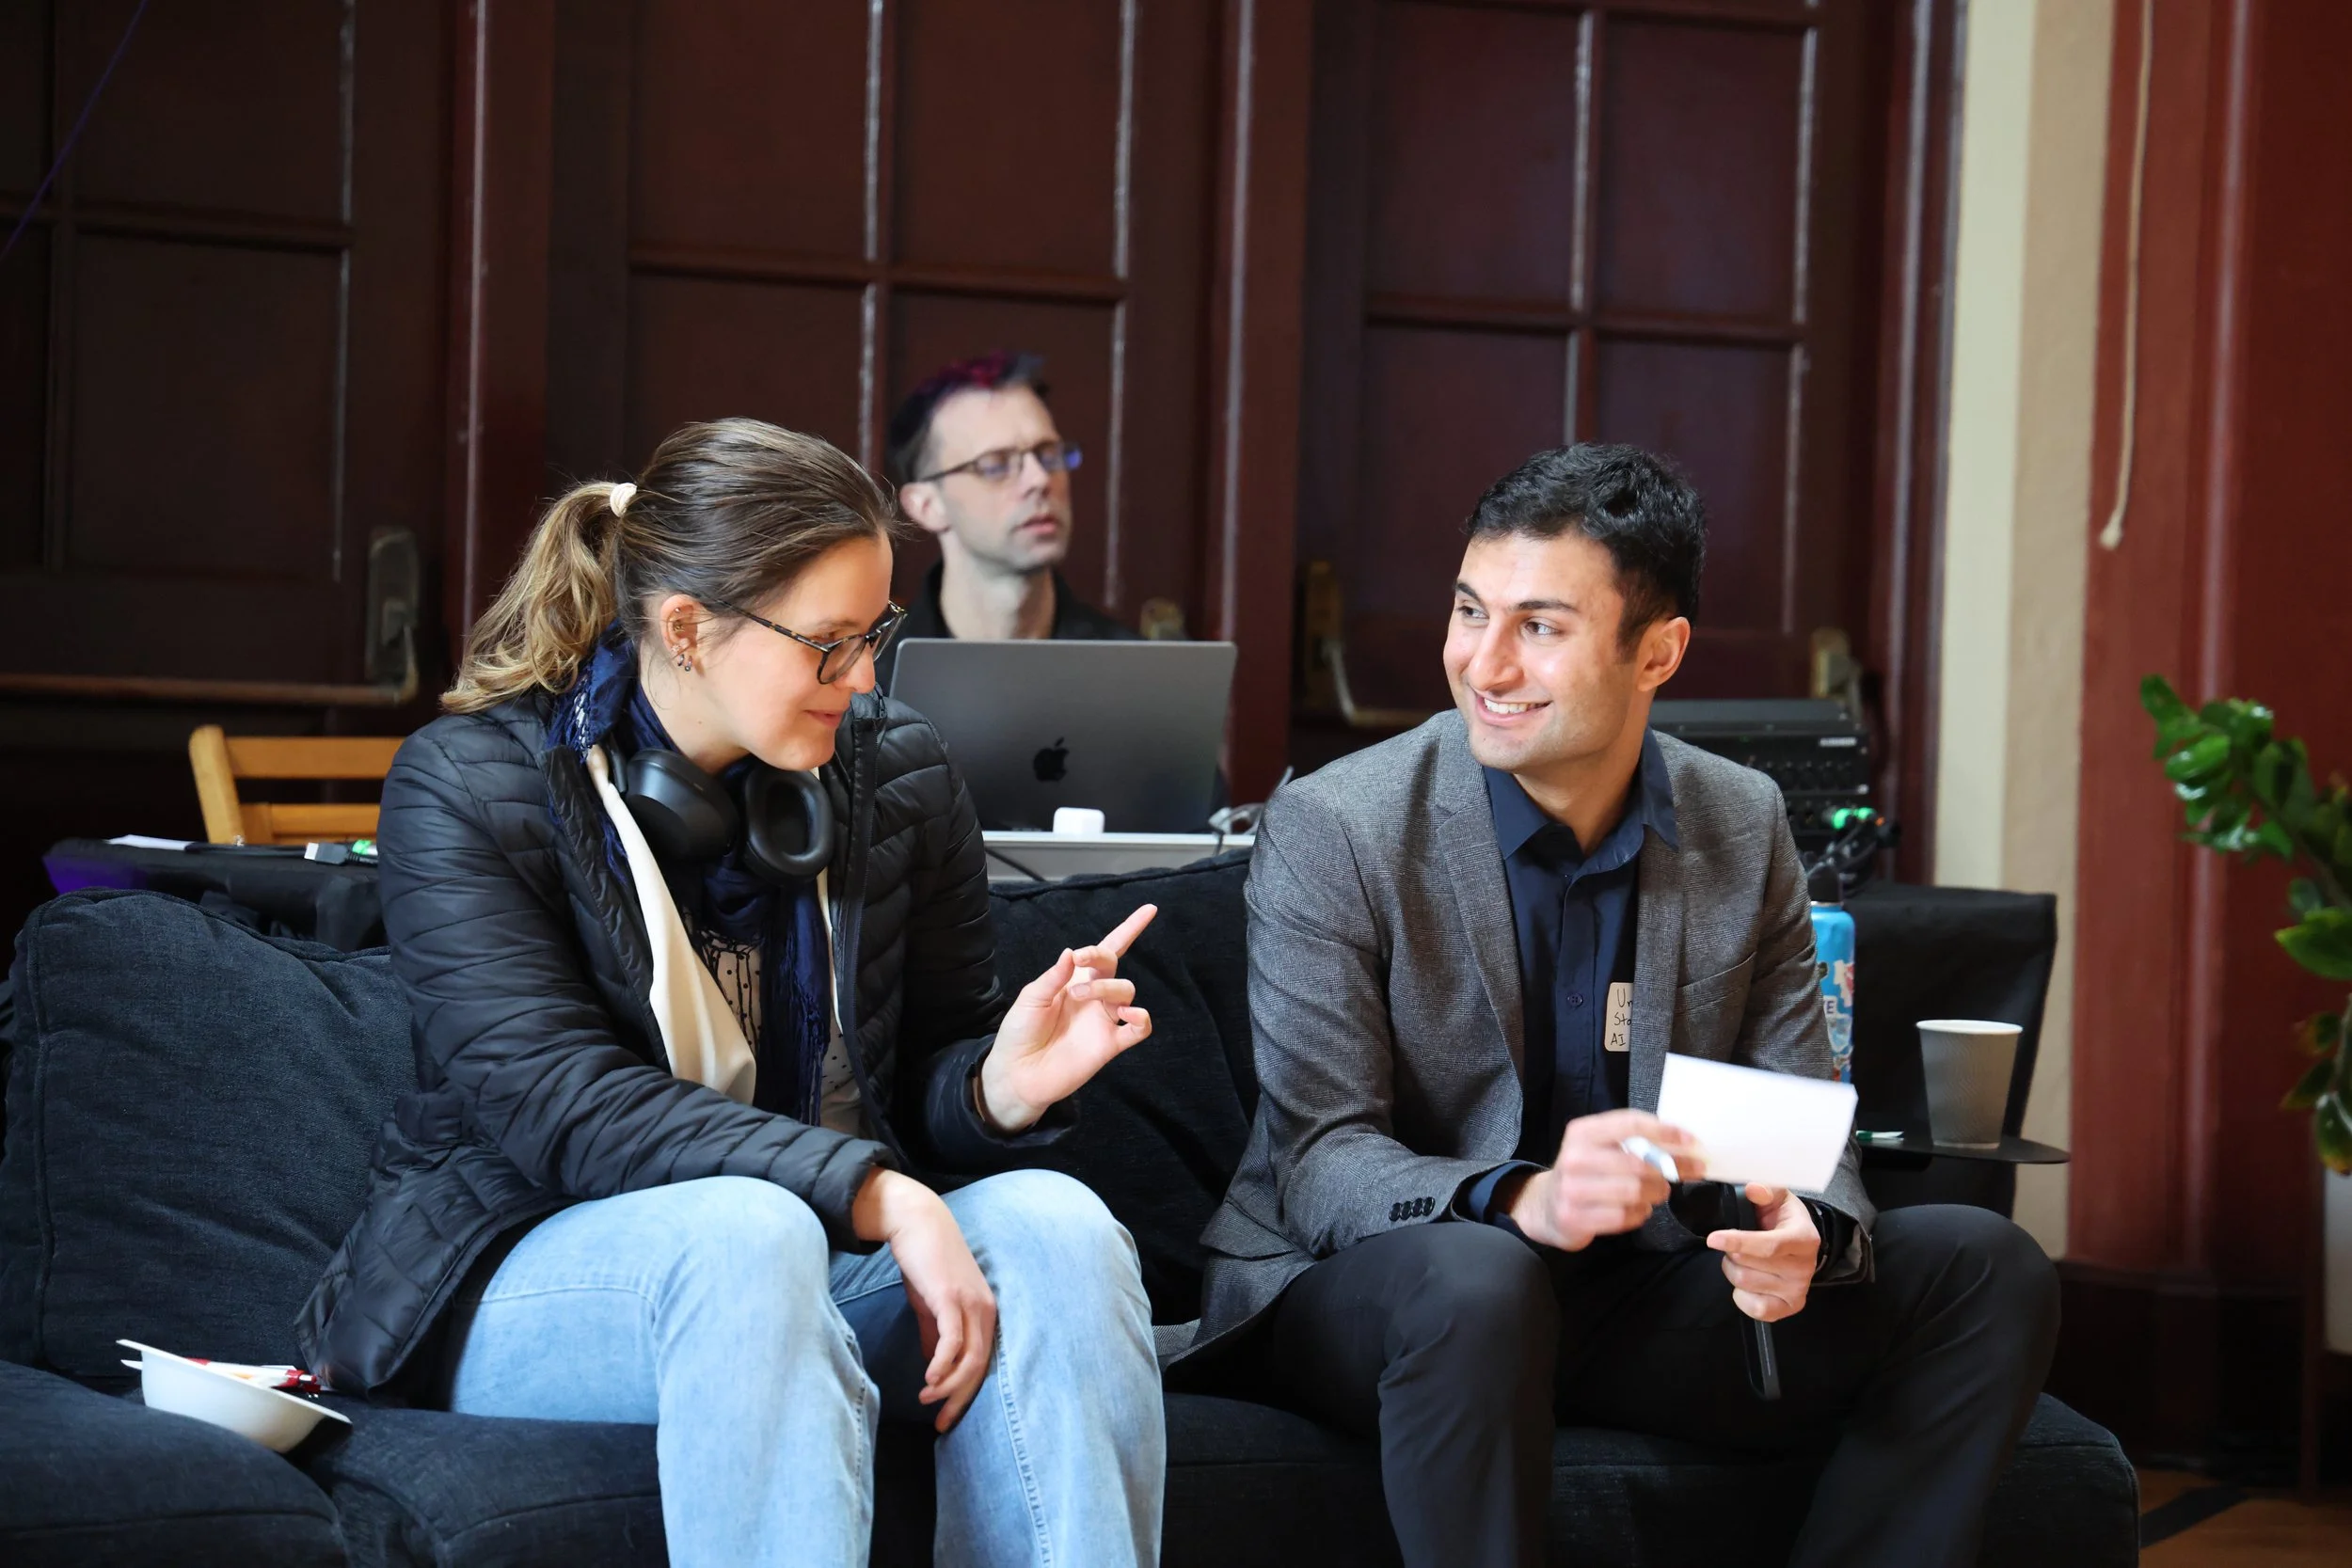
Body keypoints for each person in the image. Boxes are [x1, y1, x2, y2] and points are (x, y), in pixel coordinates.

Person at [296, 419, 1165, 1568]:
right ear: (687, 629)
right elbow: (562, 1104)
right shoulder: (467, 785)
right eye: (829, 644)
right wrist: (880, 1194)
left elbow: (923, 1078)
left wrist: (996, 1090)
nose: (863, 678)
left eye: (875, 634)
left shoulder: (901, 771)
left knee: (1058, 1223)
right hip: (517, 1268)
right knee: (749, 1233)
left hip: (811, 1255)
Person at [1184, 444, 2059, 1568]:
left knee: (1985, 1265)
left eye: (1538, 626)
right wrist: (1528, 1197)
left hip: (1633, 1290)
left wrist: (1805, 1224)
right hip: (1386, 1288)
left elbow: (1794, 1111)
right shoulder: (1339, 825)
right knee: (1483, 1277)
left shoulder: (1740, 818)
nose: (1483, 662)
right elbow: (1319, 1160)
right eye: (1468, 609)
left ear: (1657, 652)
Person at [876, 351, 1136, 689]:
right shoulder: (869, 682)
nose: (1039, 480)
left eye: (1048, 454)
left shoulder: (1136, 676)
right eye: (995, 464)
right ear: (927, 506)